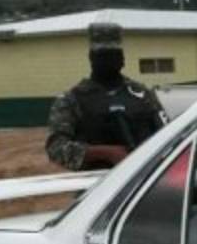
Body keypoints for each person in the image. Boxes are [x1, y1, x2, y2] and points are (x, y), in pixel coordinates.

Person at [46, 23, 168, 171]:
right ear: (91, 58)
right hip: (97, 185)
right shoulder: (71, 100)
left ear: (122, 58)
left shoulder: (142, 94)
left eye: (114, 55)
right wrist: (104, 153)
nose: (109, 61)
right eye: (103, 56)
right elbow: (56, 148)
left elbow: (168, 136)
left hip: (143, 180)